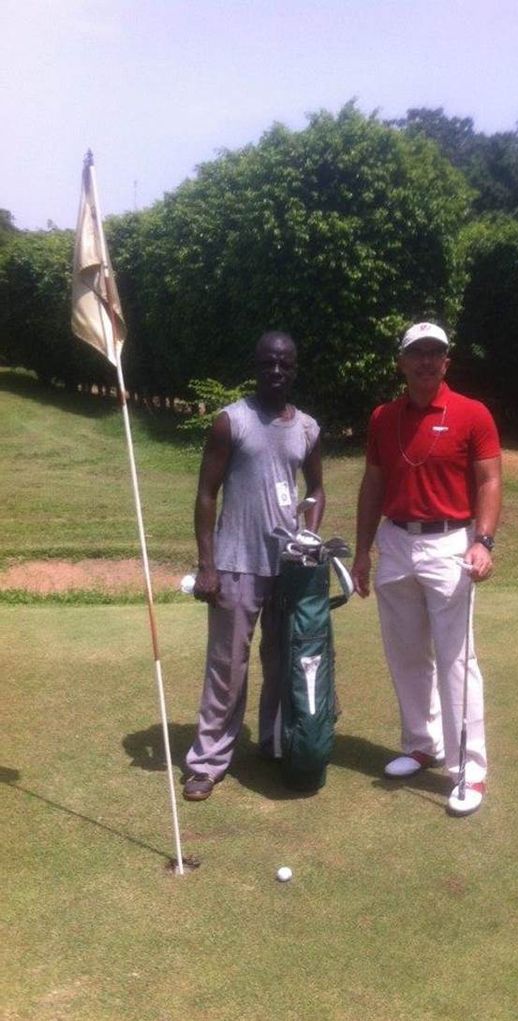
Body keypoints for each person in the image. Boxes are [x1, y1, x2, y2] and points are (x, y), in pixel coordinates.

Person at [352, 322, 501, 816]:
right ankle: (423, 744)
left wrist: (483, 541)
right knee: (406, 653)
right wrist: (362, 550)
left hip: (449, 544)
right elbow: (372, 485)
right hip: (395, 541)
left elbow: (489, 481)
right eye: (416, 354)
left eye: (434, 353)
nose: (425, 362)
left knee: (457, 659)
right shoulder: (383, 417)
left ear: (446, 362)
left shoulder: (472, 413)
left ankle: (469, 769)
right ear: (401, 362)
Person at [183, 330, 324, 800]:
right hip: (235, 565)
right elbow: (206, 494)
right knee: (228, 667)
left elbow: (317, 490)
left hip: (288, 567)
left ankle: (276, 743)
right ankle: (207, 761)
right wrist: (208, 565)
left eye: (285, 364)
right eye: (268, 363)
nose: (276, 371)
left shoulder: (307, 428)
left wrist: (309, 532)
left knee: (284, 663)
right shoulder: (231, 422)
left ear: (295, 369)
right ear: (256, 366)